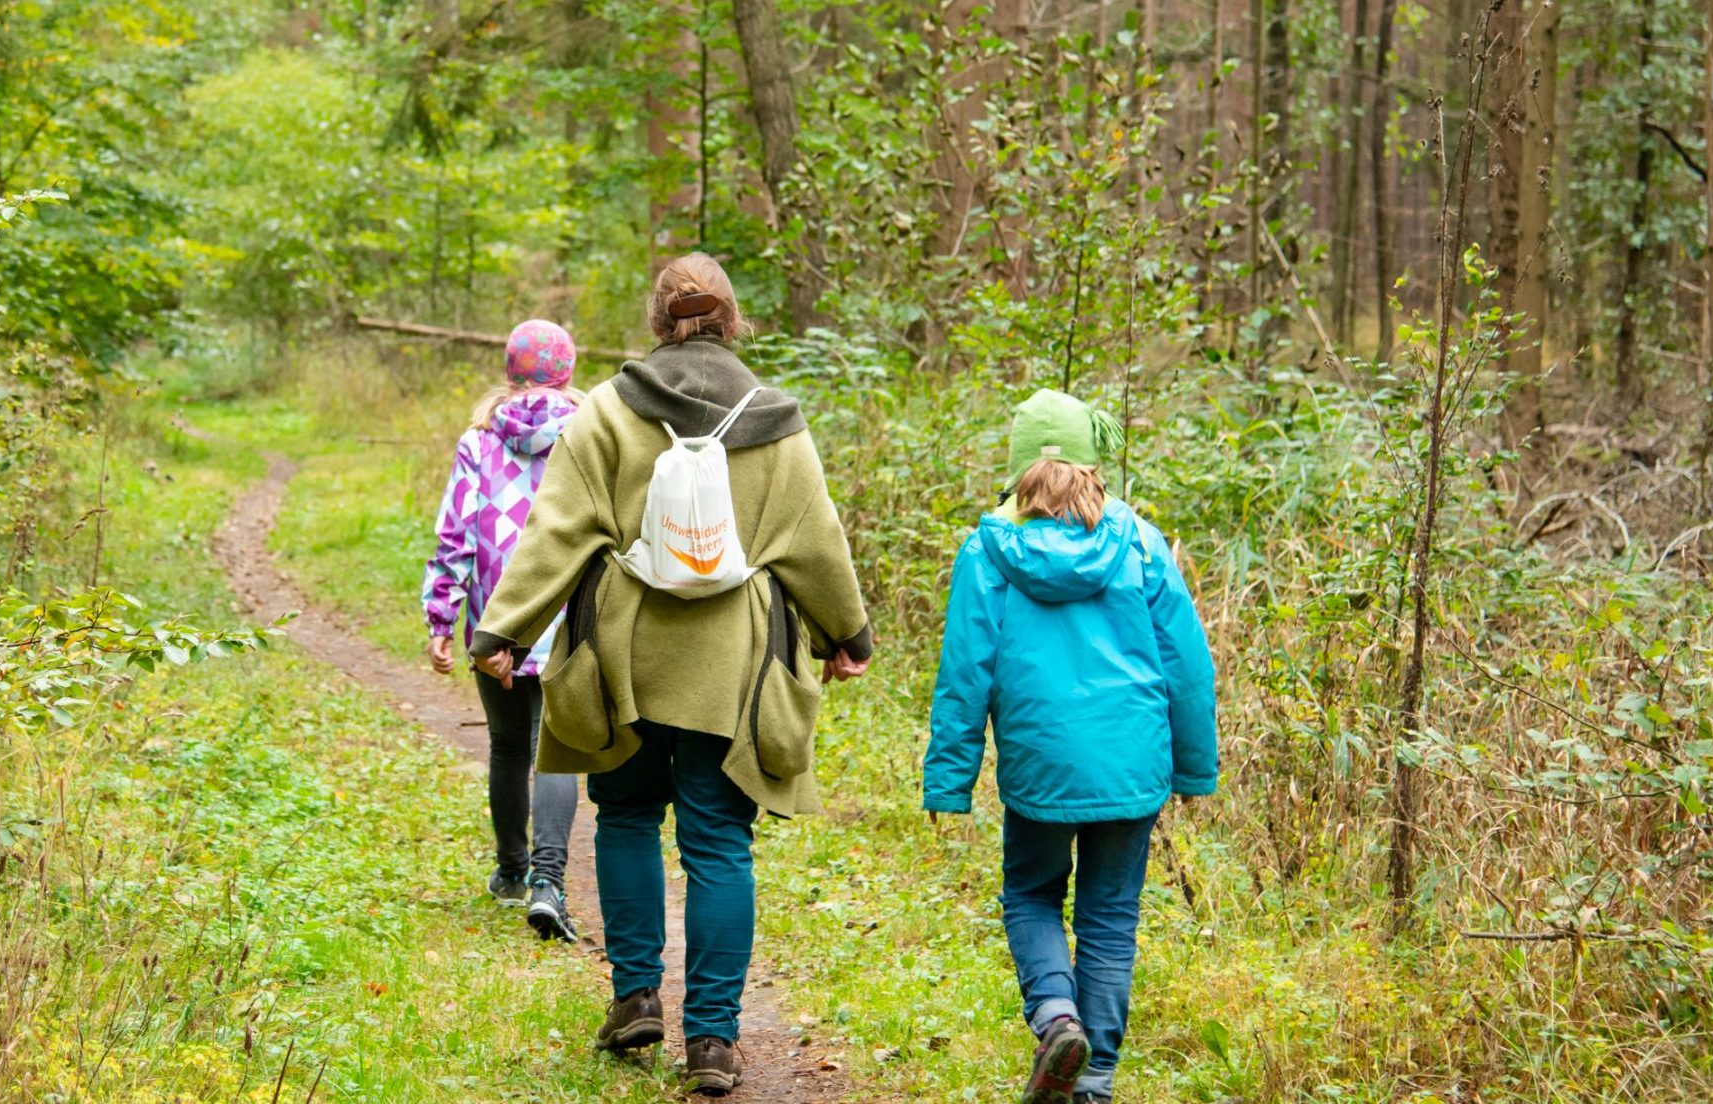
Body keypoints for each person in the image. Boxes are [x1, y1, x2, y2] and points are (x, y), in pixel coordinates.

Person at [469, 254, 872, 1097]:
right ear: (734, 321)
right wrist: (848, 634)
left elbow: (558, 530)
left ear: (658, 322)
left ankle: (636, 997)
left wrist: (505, 628)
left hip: (625, 657)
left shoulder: (611, 410)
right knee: (720, 842)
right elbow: (815, 538)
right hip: (733, 667)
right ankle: (715, 1043)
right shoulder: (777, 418)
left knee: (624, 818)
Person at [920, 389, 1220, 1104]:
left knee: (1030, 894)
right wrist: (1193, 767)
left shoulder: (987, 550)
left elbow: (965, 675)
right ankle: (1096, 1078)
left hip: (1040, 766)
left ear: (1019, 464)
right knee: (1111, 919)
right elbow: (1187, 667)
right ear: (1093, 463)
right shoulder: (1141, 541)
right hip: (1132, 764)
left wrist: (948, 779)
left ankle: (1057, 1019)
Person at [423, 319, 586, 941]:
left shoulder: (481, 439)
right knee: (556, 747)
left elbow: (456, 535)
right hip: (568, 613)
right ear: (568, 371)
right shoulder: (591, 433)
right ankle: (548, 882)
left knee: (509, 746)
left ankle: (513, 871)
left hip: (496, 617)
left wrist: (443, 616)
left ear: (509, 369)